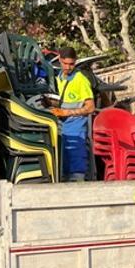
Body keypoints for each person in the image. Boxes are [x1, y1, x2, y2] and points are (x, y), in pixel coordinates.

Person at [49, 47, 95, 181]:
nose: (68, 67)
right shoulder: (59, 78)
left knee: (76, 170)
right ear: (59, 60)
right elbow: (63, 102)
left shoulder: (81, 79)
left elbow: (90, 108)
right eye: (65, 63)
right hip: (62, 130)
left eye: (72, 64)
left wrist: (67, 112)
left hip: (77, 130)